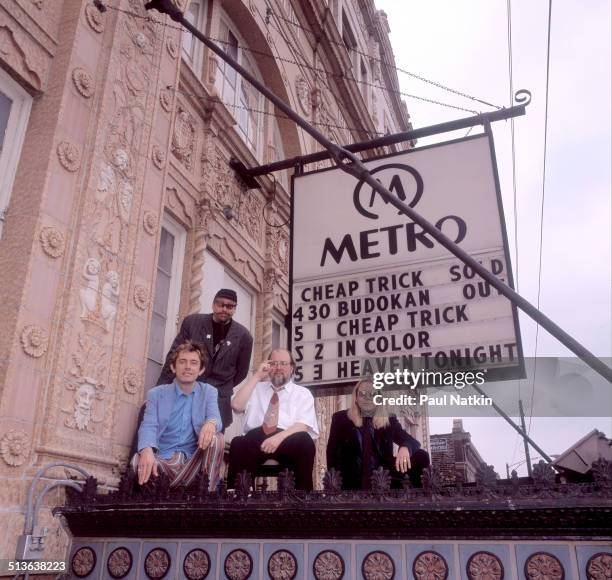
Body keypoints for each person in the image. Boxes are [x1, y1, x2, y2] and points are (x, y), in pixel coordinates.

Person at [133, 340, 224, 490]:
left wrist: (210, 423)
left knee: (217, 438)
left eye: (194, 363)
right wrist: (147, 450)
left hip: (193, 462)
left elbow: (215, 417)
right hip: (163, 459)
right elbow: (148, 426)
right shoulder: (156, 394)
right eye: (182, 362)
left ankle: (208, 492)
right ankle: (172, 492)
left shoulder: (208, 392)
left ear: (200, 370)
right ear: (173, 367)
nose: (188, 367)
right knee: (138, 461)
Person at [157, 289, 253, 430]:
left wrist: (222, 385)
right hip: (186, 390)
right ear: (213, 305)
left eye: (230, 306)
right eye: (221, 304)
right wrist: (160, 390)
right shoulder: (192, 322)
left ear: (235, 309)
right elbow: (174, 356)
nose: (224, 309)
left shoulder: (244, 336)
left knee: (209, 444)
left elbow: (242, 372)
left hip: (218, 399)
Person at [228, 349, 319, 491]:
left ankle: (302, 497)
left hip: (287, 438)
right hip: (255, 439)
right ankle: (240, 498)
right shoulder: (255, 387)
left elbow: (303, 425)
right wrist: (257, 376)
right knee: (238, 443)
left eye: (283, 363)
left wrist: (278, 438)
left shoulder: (302, 393)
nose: (278, 367)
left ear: (292, 368)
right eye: (274, 363)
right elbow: (236, 405)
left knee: (304, 441)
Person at [326, 378, 430, 489]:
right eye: (363, 394)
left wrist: (405, 447)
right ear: (355, 398)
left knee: (421, 455)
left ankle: (418, 500)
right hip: (351, 480)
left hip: (382, 478)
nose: (367, 398)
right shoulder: (341, 418)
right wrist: (334, 486)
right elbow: (331, 453)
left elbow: (412, 442)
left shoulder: (389, 420)